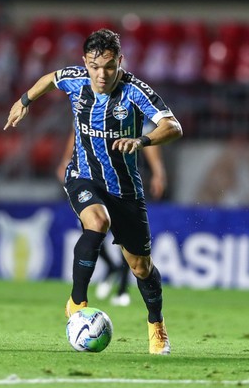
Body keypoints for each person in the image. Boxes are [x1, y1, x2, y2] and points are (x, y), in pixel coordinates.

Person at [5, 28, 182, 355]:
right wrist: (24, 101)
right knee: (96, 223)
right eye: (94, 66)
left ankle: (156, 325)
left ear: (120, 62)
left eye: (109, 67)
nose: (101, 74)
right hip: (82, 176)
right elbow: (48, 78)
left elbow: (173, 126)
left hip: (125, 189)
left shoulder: (135, 91)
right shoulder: (75, 78)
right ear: (85, 63)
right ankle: (77, 302)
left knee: (141, 267)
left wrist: (141, 141)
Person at [56, 126, 168, 307]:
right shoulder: (87, 100)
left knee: (128, 243)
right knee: (93, 228)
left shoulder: (131, 101)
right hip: (88, 178)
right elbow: (76, 128)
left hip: (121, 182)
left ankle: (122, 288)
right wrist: (66, 159)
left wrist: (158, 171)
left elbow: (151, 136)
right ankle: (109, 269)